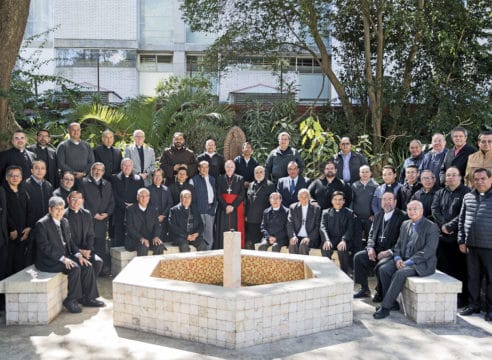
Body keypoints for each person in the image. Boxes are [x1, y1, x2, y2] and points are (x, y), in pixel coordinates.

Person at [34, 196, 104, 313]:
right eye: (56, 209)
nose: (60, 212)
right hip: (49, 261)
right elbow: (45, 248)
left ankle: (88, 298)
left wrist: (78, 255)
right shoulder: (42, 224)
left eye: (62, 208)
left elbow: (70, 242)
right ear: (50, 210)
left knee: (87, 265)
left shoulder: (64, 221)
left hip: (64, 256)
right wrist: (63, 259)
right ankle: (71, 300)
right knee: (74, 268)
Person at [373, 200, 439, 319]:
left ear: (422, 211)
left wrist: (407, 262)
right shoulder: (405, 224)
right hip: (403, 259)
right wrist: (398, 258)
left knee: (400, 273)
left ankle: (385, 307)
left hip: (421, 263)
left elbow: (428, 251)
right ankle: (392, 303)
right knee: (383, 269)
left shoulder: (431, 226)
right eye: (409, 209)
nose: (412, 212)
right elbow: (398, 245)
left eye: (415, 209)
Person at [353, 192, 406, 300]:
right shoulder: (378, 215)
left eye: (390, 199)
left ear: (395, 202)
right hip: (376, 250)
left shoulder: (402, 217)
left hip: (392, 253)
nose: (387, 202)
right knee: (358, 257)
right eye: (384, 199)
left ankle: (380, 292)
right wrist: (370, 248)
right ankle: (364, 289)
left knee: (381, 266)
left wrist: (390, 251)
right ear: (381, 202)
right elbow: (371, 234)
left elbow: (403, 240)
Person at [431, 166, 470, 307]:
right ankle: (444, 298)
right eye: (448, 175)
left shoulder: (467, 193)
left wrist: (450, 226)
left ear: (460, 177)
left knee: (460, 270)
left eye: (454, 175)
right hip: (442, 238)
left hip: (458, 238)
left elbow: (464, 213)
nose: (451, 178)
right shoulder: (440, 192)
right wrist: (443, 226)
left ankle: (461, 300)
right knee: (443, 269)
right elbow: (435, 210)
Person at [458, 168, 492, 321]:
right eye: (476, 179)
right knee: (473, 277)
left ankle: (490, 309)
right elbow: (461, 220)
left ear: (490, 179)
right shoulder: (468, 196)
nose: (479, 182)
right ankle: (474, 304)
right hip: (471, 245)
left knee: (491, 279)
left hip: (490, 246)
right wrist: (461, 240)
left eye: (483, 179)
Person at [80, 162, 114, 276]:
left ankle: (101, 270)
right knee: (89, 243)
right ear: (91, 170)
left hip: (102, 220)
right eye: (95, 169)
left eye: (100, 170)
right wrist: (93, 214)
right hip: (88, 220)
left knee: (100, 245)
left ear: (103, 172)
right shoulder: (83, 182)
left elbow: (111, 201)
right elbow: (81, 201)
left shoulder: (107, 184)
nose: (97, 172)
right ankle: (89, 272)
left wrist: (107, 214)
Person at [64, 191, 103, 277]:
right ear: (68, 199)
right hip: (71, 252)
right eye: (73, 199)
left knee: (98, 262)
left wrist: (89, 250)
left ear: (82, 201)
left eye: (79, 199)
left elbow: (90, 234)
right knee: (84, 267)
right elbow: (67, 239)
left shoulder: (87, 213)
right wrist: (80, 251)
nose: (76, 201)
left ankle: (88, 286)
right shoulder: (63, 215)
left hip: (86, 250)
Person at [3, 165, 34, 274]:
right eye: (12, 176)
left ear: (21, 178)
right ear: (6, 177)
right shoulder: (3, 192)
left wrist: (28, 228)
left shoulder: (23, 191)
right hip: (9, 234)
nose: (15, 178)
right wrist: (12, 229)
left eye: (17, 176)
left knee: (20, 264)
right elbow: (4, 213)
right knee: (7, 265)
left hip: (23, 233)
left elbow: (30, 210)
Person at [110, 158, 144, 247]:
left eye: (129, 165)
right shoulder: (115, 178)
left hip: (134, 211)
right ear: (121, 167)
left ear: (132, 167)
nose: (127, 167)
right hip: (119, 210)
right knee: (119, 234)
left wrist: (134, 205)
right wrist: (124, 205)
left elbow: (141, 194)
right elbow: (113, 194)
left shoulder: (138, 178)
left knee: (134, 233)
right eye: (124, 165)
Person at [320, 191, 354, 275]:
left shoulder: (349, 213)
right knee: (326, 248)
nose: (337, 202)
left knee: (342, 249)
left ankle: (345, 274)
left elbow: (350, 229)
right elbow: (322, 227)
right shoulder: (325, 212)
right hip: (331, 239)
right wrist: (326, 240)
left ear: (343, 201)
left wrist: (344, 240)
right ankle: (327, 273)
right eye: (335, 199)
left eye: (340, 200)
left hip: (344, 239)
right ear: (332, 201)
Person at [125, 188, 166, 256]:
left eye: (146, 196)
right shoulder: (130, 210)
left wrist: (156, 236)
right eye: (141, 196)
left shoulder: (153, 209)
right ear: (137, 197)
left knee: (159, 245)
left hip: (150, 239)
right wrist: (141, 238)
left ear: (149, 198)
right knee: (143, 247)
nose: (144, 198)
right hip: (135, 240)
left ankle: (155, 266)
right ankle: (143, 267)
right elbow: (130, 228)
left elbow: (157, 225)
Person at [215, 160, 245, 249]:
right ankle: (222, 249)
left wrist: (233, 206)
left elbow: (242, 194)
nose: (229, 169)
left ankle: (235, 249)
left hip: (235, 208)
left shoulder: (240, 178)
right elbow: (218, 194)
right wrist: (225, 206)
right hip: (223, 209)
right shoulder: (220, 178)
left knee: (235, 229)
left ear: (234, 168)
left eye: (231, 167)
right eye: (227, 167)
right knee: (223, 230)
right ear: (224, 168)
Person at [245, 166, 275, 249]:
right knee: (251, 241)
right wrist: (246, 214)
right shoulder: (251, 185)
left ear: (264, 173)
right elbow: (247, 201)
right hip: (251, 219)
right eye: (256, 172)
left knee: (261, 242)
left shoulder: (270, 185)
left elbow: (272, 203)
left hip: (262, 218)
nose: (258, 174)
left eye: (261, 172)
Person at [189, 161, 217, 250]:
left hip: (210, 211)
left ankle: (208, 257)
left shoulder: (213, 179)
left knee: (209, 237)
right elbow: (191, 198)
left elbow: (215, 195)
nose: (205, 169)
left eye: (206, 167)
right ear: (198, 168)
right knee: (200, 236)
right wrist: (195, 211)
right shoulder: (193, 180)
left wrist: (213, 208)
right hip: (199, 211)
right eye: (202, 167)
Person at [351, 165, 378, 253]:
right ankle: (355, 258)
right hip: (357, 217)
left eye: (367, 172)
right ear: (359, 174)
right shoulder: (355, 185)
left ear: (371, 173)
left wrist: (374, 214)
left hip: (369, 218)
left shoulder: (375, 186)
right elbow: (351, 200)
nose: (365, 174)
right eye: (362, 172)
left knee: (369, 239)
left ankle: (368, 258)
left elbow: (377, 202)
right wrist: (352, 213)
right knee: (356, 240)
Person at [287, 189, 321, 255]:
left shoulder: (316, 208)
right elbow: (290, 223)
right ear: (298, 198)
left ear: (309, 197)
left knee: (303, 245)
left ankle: (303, 265)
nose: (304, 199)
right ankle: (294, 265)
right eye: (301, 197)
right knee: (292, 244)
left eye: (306, 197)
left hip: (310, 238)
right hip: (296, 236)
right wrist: (293, 236)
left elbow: (317, 226)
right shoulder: (293, 207)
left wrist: (309, 238)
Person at [147, 168, 173, 243]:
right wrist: (156, 216)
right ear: (152, 177)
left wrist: (163, 215)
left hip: (165, 220)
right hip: (152, 221)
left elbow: (170, 203)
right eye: (155, 175)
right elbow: (146, 205)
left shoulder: (166, 189)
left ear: (162, 178)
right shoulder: (147, 189)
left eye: (159, 176)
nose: (158, 178)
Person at [24, 160, 54, 225]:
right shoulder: (25, 185)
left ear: (45, 171)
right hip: (30, 225)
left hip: (46, 223)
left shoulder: (49, 185)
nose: (40, 171)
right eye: (37, 168)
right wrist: (27, 225)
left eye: (42, 168)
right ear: (32, 170)